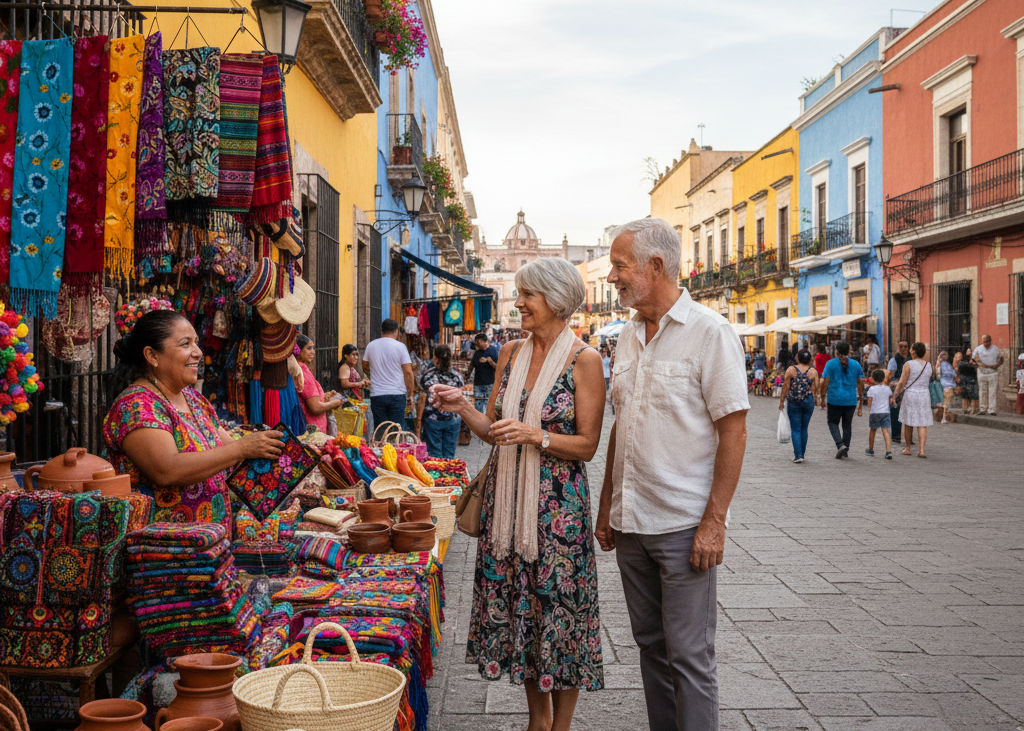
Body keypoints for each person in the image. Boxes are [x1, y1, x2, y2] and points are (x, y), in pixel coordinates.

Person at [430, 257, 606, 731]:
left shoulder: (585, 361)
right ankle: (537, 721)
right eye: (521, 293)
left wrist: (537, 436)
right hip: (506, 508)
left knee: (561, 614)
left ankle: (561, 726)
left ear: (557, 299)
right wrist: (463, 405)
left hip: (557, 513)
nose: (519, 302)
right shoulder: (510, 353)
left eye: (529, 295)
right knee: (524, 611)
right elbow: (493, 431)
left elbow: (588, 445)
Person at [596, 218, 749, 731]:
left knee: (689, 655)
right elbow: (624, 423)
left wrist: (715, 521)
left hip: (683, 526)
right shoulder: (626, 338)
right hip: (631, 523)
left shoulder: (710, 333)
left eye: (620, 266)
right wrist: (606, 505)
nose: (613, 277)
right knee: (651, 649)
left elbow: (734, 430)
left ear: (655, 266)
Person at [103, 310, 284, 530]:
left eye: (196, 343)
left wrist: (280, 456)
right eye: (185, 344)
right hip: (164, 549)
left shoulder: (193, 398)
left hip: (209, 546)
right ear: (152, 356)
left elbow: (229, 452)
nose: (198, 352)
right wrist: (243, 449)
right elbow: (166, 470)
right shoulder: (136, 405)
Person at [363, 319, 414, 431]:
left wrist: (374, 375)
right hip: (397, 394)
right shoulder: (400, 347)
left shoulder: (371, 346)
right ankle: (394, 448)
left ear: (382, 331)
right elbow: (409, 372)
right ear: (396, 331)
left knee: (380, 430)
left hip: (377, 394)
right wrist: (411, 394)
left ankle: (381, 448)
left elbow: (365, 367)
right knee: (396, 430)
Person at [415, 344, 464, 458]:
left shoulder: (427, 376)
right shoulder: (457, 377)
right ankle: (448, 474)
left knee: (435, 455)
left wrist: (418, 423)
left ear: (435, 358)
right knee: (449, 455)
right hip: (453, 419)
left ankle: (436, 475)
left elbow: (422, 396)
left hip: (433, 419)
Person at [820, 341, 864, 459]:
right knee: (847, 425)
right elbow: (860, 382)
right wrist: (861, 400)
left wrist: (822, 396)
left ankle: (840, 445)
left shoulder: (831, 364)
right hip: (850, 399)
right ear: (849, 351)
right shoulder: (856, 364)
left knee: (832, 422)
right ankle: (845, 449)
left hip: (834, 399)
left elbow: (825, 381)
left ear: (837, 351)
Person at [890, 341, 933, 457]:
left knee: (908, 422)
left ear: (913, 352)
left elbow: (901, 383)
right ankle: (922, 450)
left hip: (911, 394)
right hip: (924, 394)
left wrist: (894, 396)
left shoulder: (908, 364)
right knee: (922, 423)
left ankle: (908, 448)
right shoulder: (928, 365)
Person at [294, 334, 344, 433]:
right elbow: (316, 407)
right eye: (309, 348)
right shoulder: (302, 371)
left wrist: (325, 396)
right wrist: (336, 403)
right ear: (298, 351)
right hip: (312, 428)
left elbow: (308, 397)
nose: (313, 352)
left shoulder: (297, 369)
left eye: (313, 348)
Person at [779, 348, 819, 463]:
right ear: (810, 359)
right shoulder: (813, 371)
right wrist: (815, 399)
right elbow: (816, 387)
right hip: (808, 401)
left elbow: (786, 387)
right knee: (804, 428)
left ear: (797, 358)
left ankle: (798, 455)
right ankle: (802, 453)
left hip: (794, 401)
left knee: (795, 428)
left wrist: (781, 402)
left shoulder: (791, 370)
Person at [464, 333, 500, 413]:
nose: (476, 345)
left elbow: (499, 368)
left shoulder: (495, 351)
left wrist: (490, 362)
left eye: (478, 343)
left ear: (485, 342)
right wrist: (467, 375)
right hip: (478, 384)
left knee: (489, 406)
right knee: (478, 407)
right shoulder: (477, 352)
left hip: (490, 383)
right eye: (476, 343)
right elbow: (472, 365)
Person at [886, 341, 911, 445]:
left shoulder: (911, 359)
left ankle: (908, 437)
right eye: (900, 346)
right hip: (897, 387)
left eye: (905, 346)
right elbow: (889, 374)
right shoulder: (893, 360)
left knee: (909, 411)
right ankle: (896, 435)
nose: (903, 349)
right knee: (895, 410)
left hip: (909, 387)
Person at [972, 334, 1004, 415]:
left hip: (993, 372)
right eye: (984, 341)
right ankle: (983, 408)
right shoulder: (978, 349)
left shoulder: (996, 349)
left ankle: (992, 409)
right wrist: (977, 363)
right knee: (982, 391)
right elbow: (972, 360)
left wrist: (997, 365)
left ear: (990, 341)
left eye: (987, 341)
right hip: (981, 372)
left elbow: (1001, 359)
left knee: (992, 391)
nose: (985, 343)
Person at [865, 369, 893, 459]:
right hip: (885, 412)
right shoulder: (887, 388)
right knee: (885, 430)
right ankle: (888, 451)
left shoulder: (871, 389)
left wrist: (870, 409)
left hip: (875, 412)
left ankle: (871, 449)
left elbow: (870, 400)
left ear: (873, 379)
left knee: (873, 430)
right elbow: (890, 399)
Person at [955, 347, 979, 415]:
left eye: (970, 351)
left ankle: (973, 409)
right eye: (968, 350)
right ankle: (965, 409)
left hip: (972, 380)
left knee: (973, 396)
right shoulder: (962, 362)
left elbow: (975, 366)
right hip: (964, 380)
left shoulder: (973, 359)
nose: (969, 352)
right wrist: (970, 363)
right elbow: (961, 369)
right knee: (965, 396)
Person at [937, 350, 957, 424]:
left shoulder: (940, 364)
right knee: (946, 402)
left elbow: (938, 373)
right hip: (948, 384)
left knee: (945, 402)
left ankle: (944, 417)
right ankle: (943, 418)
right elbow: (952, 374)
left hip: (944, 384)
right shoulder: (946, 365)